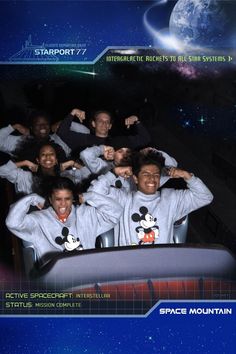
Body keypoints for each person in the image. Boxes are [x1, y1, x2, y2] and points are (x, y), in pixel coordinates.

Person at [88, 151, 213, 246]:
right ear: (136, 178)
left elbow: (205, 197)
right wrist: (114, 172)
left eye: (156, 175)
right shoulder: (122, 198)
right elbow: (93, 195)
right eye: (146, 174)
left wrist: (187, 176)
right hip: (129, 269)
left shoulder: (171, 198)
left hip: (162, 270)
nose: (152, 179)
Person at [6, 177, 122, 266]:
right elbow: (12, 222)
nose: (63, 204)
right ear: (50, 199)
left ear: (73, 198)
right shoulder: (38, 220)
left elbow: (116, 211)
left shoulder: (86, 214)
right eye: (58, 199)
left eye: (67, 199)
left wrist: (90, 196)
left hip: (88, 274)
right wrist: (32, 198)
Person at [0, 142, 91, 195]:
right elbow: (2, 171)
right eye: (43, 154)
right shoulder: (25, 177)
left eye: (51, 154)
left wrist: (73, 163)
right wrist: (25, 162)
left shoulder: (67, 176)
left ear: (56, 160)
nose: (47, 157)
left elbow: (90, 175)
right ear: (38, 160)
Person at [56, 108, 151, 153]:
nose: (103, 124)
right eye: (100, 121)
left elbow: (145, 139)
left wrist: (137, 121)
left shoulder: (119, 141)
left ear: (110, 126)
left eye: (107, 122)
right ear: (94, 124)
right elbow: (62, 133)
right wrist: (73, 112)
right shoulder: (84, 139)